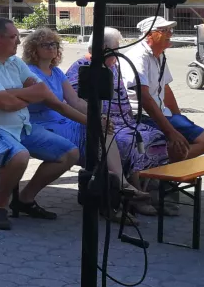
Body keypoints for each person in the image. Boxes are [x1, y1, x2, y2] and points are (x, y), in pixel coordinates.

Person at [0, 17, 80, 230]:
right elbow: (5, 104)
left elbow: (43, 93)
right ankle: (0, 208)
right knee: (19, 155)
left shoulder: (15, 63)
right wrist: (23, 96)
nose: (18, 41)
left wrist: (8, 94)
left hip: (21, 127)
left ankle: (25, 199)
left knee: (69, 153)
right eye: (14, 36)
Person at [21, 29, 128, 213]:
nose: (51, 48)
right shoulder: (30, 73)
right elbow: (59, 106)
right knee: (95, 140)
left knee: (103, 133)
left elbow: (75, 101)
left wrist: (97, 117)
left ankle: (121, 185)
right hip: (40, 125)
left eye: (54, 44)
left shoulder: (56, 72)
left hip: (60, 122)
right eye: (45, 45)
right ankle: (112, 194)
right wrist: (92, 122)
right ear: (33, 49)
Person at [66, 27, 168, 214]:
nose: (119, 52)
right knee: (129, 142)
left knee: (155, 136)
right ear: (103, 48)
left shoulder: (112, 67)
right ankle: (132, 195)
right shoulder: (81, 68)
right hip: (99, 124)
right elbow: (76, 102)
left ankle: (145, 191)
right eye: (116, 48)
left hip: (122, 121)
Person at [120, 16, 204, 164]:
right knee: (194, 142)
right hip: (141, 117)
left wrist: (178, 117)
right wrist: (171, 132)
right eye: (164, 30)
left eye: (170, 30)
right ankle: (158, 167)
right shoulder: (137, 57)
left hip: (161, 113)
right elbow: (145, 98)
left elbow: (166, 88)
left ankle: (161, 165)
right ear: (149, 34)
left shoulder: (160, 54)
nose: (170, 34)